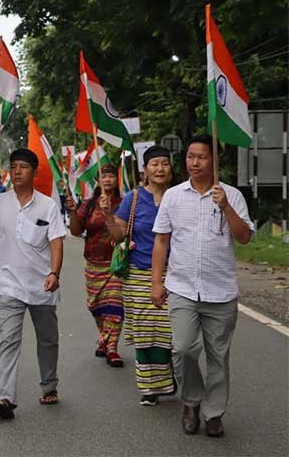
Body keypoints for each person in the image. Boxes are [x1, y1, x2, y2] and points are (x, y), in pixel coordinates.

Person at [151, 134, 254, 437]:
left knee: (218, 357)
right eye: (191, 156)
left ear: (215, 161)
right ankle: (191, 401)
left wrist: (226, 208)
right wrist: (156, 282)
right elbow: (161, 240)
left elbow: (244, 237)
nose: (194, 163)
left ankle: (213, 413)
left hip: (220, 292)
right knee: (183, 348)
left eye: (202, 157)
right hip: (182, 288)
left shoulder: (231, 195)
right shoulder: (173, 195)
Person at [0, 149, 66, 419]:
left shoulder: (47, 205)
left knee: (47, 339)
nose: (17, 171)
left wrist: (54, 273)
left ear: (34, 171)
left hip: (42, 284)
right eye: (14, 166)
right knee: (8, 339)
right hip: (8, 285)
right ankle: (6, 397)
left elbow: (56, 241)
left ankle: (49, 385)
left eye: (23, 167)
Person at [106, 145, 176, 406]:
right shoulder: (133, 199)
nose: (159, 168)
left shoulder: (179, 196)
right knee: (147, 333)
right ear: (144, 170)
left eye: (165, 163)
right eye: (154, 164)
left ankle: (171, 375)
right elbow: (118, 236)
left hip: (176, 275)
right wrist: (108, 217)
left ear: (171, 169)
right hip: (138, 274)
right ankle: (150, 388)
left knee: (171, 332)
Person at [66, 164, 124, 366]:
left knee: (115, 305)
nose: (107, 179)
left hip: (116, 264)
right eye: (103, 176)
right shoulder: (89, 204)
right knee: (96, 306)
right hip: (93, 263)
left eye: (111, 176)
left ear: (117, 180)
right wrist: (73, 212)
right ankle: (103, 338)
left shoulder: (124, 204)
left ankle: (111, 348)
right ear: (97, 181)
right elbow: (75, 231)